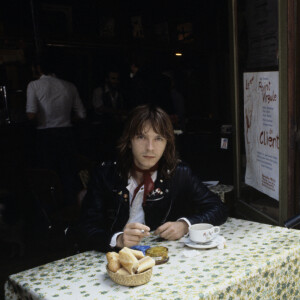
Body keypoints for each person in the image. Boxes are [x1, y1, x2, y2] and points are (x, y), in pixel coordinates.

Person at [67, 104, 227, 252]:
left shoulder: (179, 173)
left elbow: (218, 208)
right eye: (141, 137)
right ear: (129, 141)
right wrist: (118, 239)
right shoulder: (106, 174)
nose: (150, 147)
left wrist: (185, 225)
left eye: (158, 138)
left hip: (162, 258)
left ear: (167, 144)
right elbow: (85, 228)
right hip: (112, 260)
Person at [26, 56, 86, 207]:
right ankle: (72, 210)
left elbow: (31, 114)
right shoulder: (69, 86)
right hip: (66, 133)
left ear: (38, 68)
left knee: (48, 175)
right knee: (68, 175)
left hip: (45, 134)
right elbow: (82, 115)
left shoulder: (34, 85)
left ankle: (53, 212)